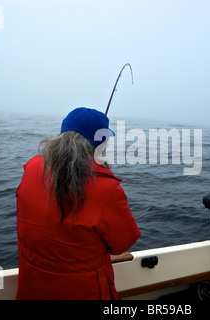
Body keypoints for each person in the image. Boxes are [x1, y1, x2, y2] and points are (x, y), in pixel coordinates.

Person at [15, 107, 141, 300]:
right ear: (100, 144)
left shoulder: (32, 167)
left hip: (31, 291)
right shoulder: (107, 189)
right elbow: (123, 243)